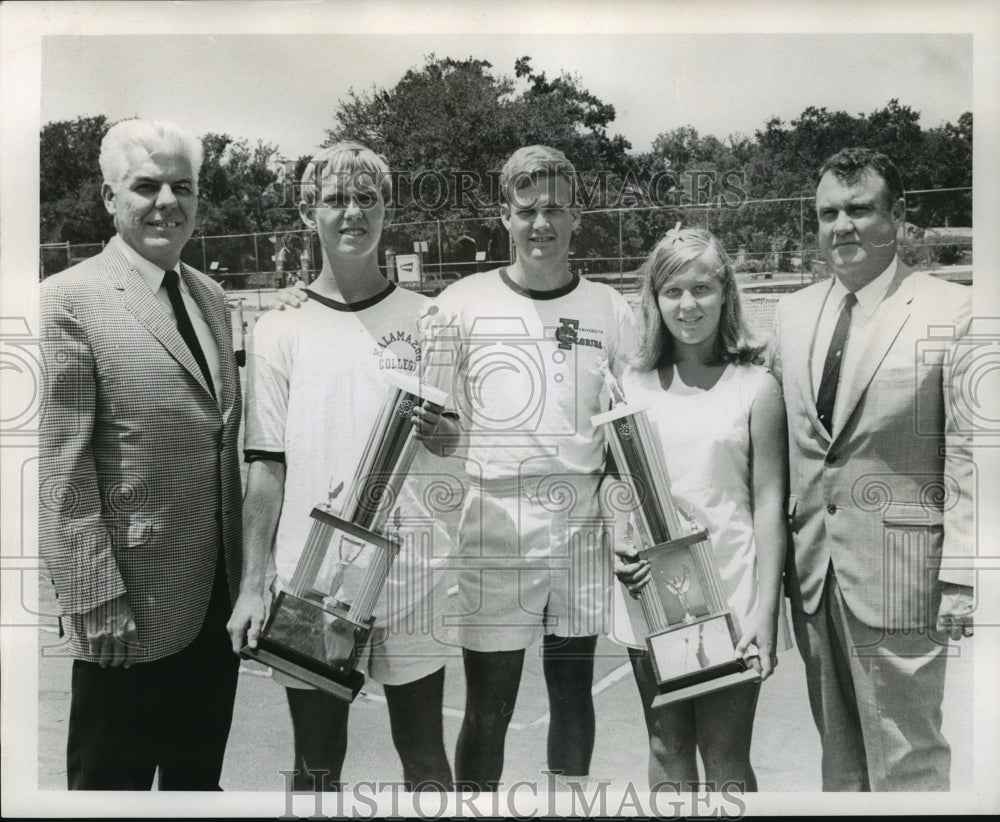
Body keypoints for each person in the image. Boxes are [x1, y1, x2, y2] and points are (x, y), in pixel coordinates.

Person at [226, 142, 456, 792]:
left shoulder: (430, 320)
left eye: (367, 198)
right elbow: (265, 467)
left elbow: (447, 441)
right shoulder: (277, 330)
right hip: (313, 577)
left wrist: (444, 431)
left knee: (425, 758)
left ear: (387, 208)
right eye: (335, 199)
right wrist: (253, 582)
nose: (352, 212)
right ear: (309, 212)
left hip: (412, 576)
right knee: (317, 764)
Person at [419, 145, 635, 789]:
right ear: (505, 218)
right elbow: (435, 426)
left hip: (582, 519)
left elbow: (626, 432)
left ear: (576, 217)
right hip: (495, 518)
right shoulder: (460, 303)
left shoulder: (611, 309)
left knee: (573, 691)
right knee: (491, 705)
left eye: (555, 210)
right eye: (527, 210)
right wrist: (440, 433)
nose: (542, 223)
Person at [39, 118, 243, 790]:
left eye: (181, 187)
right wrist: (94, 595)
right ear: (108, 198)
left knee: (196, 790)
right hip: (126, 611)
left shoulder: (211, 298)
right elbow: (60, 465)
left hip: (213, 602)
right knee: (110, 793)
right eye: (146, 185)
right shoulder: (69, 300)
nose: (167, 202)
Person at [769, 148, 974, 791]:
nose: (842, 227)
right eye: (829, 213)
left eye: (859, 209)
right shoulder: (792, 313)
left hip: (901, 574)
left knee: (908, 760)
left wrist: (964, 575)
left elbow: (970, 453)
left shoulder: (953, 311)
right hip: (813, 577)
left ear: (898, 216)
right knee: (840, 761)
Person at [609, 226, 789, 791]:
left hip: (731, 596)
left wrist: (766, 608)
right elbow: (612, 481)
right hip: (648, 595)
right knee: (666, 746)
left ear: (725, 293)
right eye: (672, 291)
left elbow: (770, 503)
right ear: (654, 299)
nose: (687, 305)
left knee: (725, 755)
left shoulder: (756, 387)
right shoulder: (631, 383)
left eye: (702, 289)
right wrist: (618, 532)